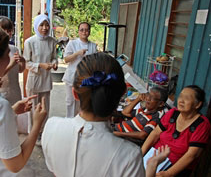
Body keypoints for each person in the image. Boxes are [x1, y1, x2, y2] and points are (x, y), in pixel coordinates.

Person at [41, 52, 170, 177]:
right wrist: (152, 165)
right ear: (122, 94)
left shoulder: (51, 127)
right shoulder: (130, 156)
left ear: (75, 94)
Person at [0, 28, 47, 173]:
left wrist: (12, 112)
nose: (10, 57)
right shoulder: (2, 106)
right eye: (7, 53)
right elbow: (15, 164)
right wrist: (37, 124)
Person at [142, 85, 211, 177]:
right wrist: (140, 154)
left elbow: (192, 155)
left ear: (197, 104)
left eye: (186, 98)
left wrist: (169, 173)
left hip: (174, 168)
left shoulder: (202, 125)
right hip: (153, 157)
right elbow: (155, 133)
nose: (181, 100)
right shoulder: (173, 113)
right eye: (181, 96)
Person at [23, 14, 58, 143]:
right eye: (41, 25)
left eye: (47, 25)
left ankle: (43, 132)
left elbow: (54, 57)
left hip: (46, 80)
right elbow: (26, 62)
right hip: (34, 80)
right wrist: (40, 65)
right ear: (36, 26)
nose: (44, 28)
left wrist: (54, 64)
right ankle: (33, 133)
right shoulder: (29, 42)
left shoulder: (52, 41)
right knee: (33, 108)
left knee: (45, 108)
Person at [62, 22, 97, 118]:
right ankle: (69, 122)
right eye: (82, 30)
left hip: (86, 78)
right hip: (72, 77)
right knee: (70, 101)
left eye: (86, 30)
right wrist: (77, 53)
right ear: (78, 31)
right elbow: (65, 59)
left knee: (83, 102)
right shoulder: (72, 43)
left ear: (89, 32)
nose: (84, 32)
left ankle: (80, 122)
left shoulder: (93, 46)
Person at [0, 16, 25, 105]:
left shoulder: (13, 49)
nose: (7, 33)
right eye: (4, 30)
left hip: (14, 90)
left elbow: (20, 70)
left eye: (10, 30)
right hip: (2, 91)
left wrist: (23, 61)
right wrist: (11, 64)